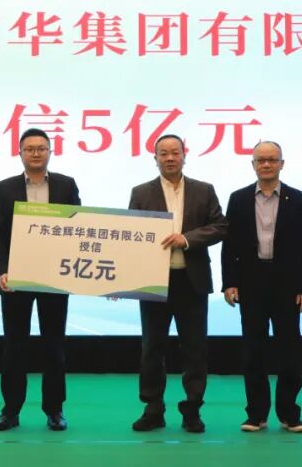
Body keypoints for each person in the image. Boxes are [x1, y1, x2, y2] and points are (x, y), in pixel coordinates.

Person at [128, 134, 227, 433]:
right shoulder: (140, 192)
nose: (170, 158)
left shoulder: (203, 190)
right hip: (153, 282)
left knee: (195, 349)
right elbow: (129, 237)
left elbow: (220, 226)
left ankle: (192, 410)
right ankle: (153, 409)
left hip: (191, 281)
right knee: (151, 348)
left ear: (185, 155)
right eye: (163, 153)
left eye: (175, 152)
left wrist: (186, 239)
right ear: (155, 158)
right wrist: (123, 278)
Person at [221, 140, 302, 433]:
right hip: (251, 283)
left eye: (272, 160)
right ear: (252, 165)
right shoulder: (238, 199)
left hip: (287, 285)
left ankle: (289, 414)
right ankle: (256, 414)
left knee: (289, 353)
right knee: (253, 352)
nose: (266, 164)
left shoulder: (297, 199)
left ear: (282, 164)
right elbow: (229, 245)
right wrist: (229, 283)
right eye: (260, 160)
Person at [0, 128, 82, 432]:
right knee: (14, 348)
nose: (35, 153)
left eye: (41, 148)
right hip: (16, 278)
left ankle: (55, 410)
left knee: (54, 347)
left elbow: (80, 229)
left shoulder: (66, 185)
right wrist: (2, 271)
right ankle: (10, 410)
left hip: (55, 277)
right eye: (29, 148)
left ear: (50, 151)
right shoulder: (5, 188)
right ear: (20, 153)